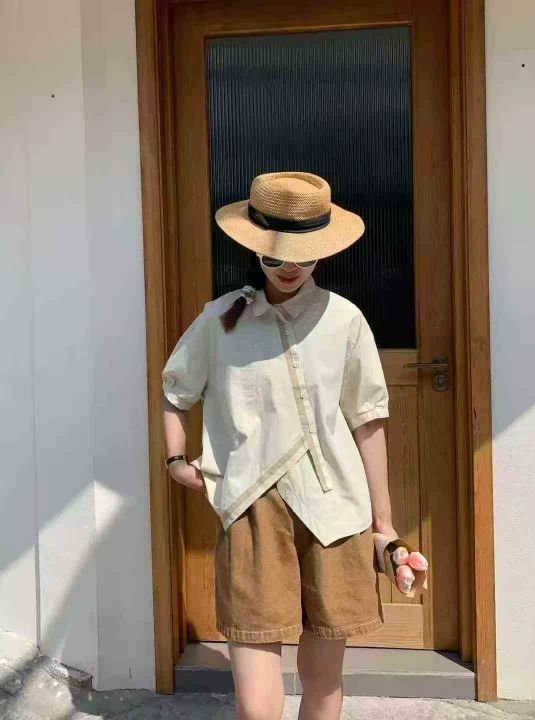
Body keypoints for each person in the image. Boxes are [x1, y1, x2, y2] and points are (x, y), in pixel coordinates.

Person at [161, 171, 404, 720]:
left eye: (305, 256)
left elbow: (368, 421)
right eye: (277, 257)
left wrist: (384, 526)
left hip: (335, 511)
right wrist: (176, 461)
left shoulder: (344, 319)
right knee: (256, 705)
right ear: (255, 249)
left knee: (323, 683)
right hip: (252, 507)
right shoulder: (219, 320)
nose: (291, 267)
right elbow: (175, 391)